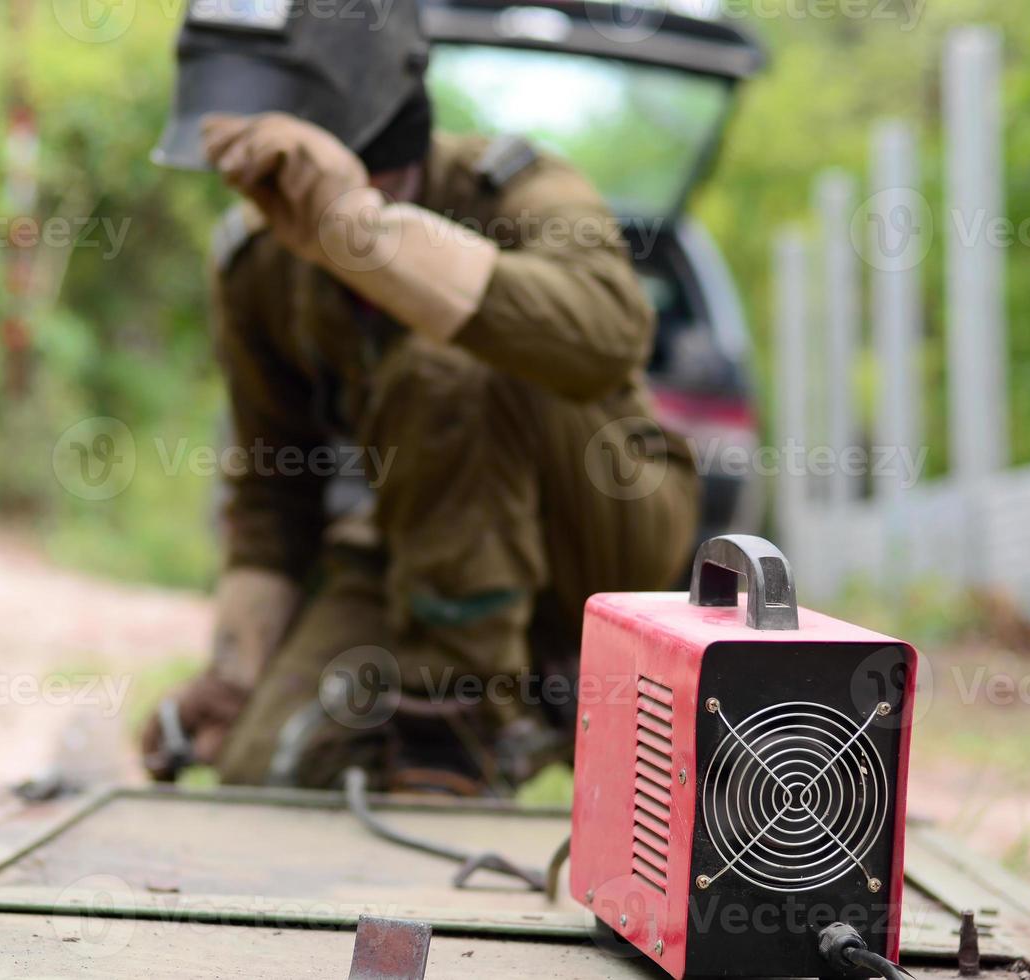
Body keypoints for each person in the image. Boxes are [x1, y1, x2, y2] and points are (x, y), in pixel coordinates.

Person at [140, 0, 697, 792]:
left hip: (600, 538)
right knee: (266, 778)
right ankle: (454, 725)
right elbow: (274, 492)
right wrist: (234, 677)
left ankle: (452, 723)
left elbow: (608, 335)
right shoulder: (259, 267)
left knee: (443, 368)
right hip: (418, 546)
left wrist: (365, 237)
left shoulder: (517, 187)